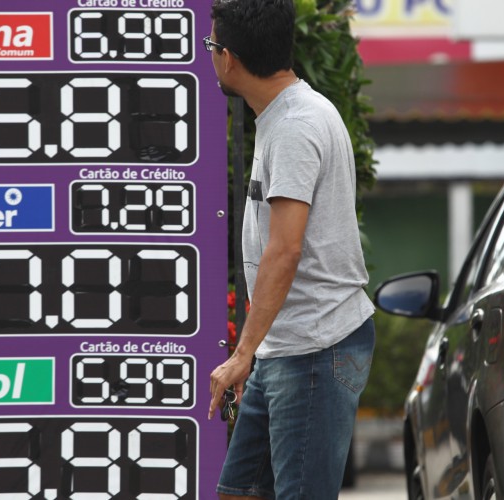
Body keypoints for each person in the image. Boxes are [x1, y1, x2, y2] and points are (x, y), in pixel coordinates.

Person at [205, 1, 376, 498]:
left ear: (229, 58)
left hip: (316, 350)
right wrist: (257, 351)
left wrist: (243, 353)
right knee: (239, 491)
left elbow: (285, 250)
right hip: (286, 347)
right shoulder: (284, 115)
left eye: (212, 46)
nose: (212, 56)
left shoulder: (296, 127)